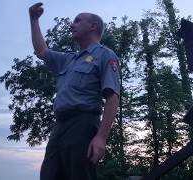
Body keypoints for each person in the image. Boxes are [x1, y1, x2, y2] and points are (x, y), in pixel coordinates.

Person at [29, 2, 120, 180]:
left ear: (93, 26)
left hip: (83, 124)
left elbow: (112, 98)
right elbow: (41, 50)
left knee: (79, 175)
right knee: (49, 175)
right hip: (59, 126)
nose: (72, 25)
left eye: (78, 21)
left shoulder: (105, 55)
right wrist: (33, 20)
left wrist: (101, 137)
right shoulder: (68, 59)